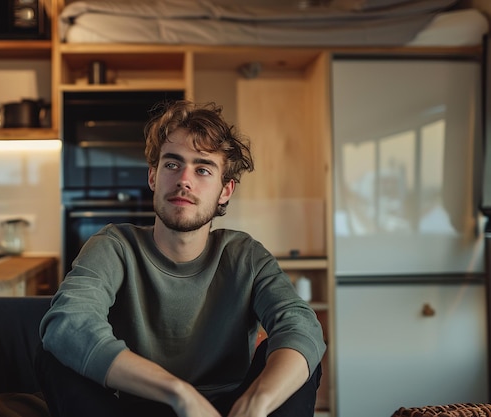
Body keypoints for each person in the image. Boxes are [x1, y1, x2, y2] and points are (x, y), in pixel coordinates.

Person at [36, 100, 326, 417]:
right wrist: (179, 392)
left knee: (297, 358)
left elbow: (301, 326)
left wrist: (257, 403)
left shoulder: (245, 255)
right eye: (172, 165)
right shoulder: (114, 246)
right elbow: (69, 323)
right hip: (135, 405)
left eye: (202, 169)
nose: (184, 179)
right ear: (153, 177)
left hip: (227, 411)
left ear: (225, 191)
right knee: (56, 354)